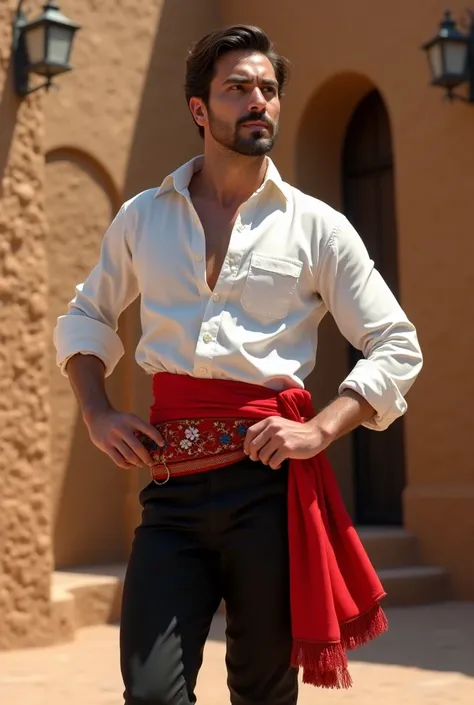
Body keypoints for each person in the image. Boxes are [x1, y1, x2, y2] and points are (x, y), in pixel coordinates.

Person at [53, 24, 423, 705]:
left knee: (261, 692)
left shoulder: (317, 225)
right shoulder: (144, 217)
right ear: (200, 109)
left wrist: (322, 429)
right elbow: (85, 315)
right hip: (171, 488)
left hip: (270, 491)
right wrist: (96, 408)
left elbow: (396, 343)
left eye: (268, 89)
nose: (259, 101)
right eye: (238, 88)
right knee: (153, 692)